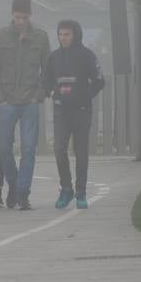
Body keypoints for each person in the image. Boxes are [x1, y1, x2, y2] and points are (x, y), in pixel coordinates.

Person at [0, 0, 51, 210]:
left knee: (29, 148)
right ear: (11, 15)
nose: (20, 21)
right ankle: (13, 182)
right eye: (17, 17)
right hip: (6, 102)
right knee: (3, 147)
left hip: (30, 101)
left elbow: (47, 70)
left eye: (24, 17)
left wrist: (38, 95)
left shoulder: (41, 37)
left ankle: (23, 193)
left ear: (30, 15)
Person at [46, 20, 104, 210]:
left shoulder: (87, 56)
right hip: (61, 111)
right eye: (60, 34)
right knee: (59, 149)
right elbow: (45, 81)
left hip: (81, 111)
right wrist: (52, 93)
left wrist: (84, 96)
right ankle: (66, 188)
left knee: (81, 153)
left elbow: (99, 80)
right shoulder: (54, 57)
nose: (63, 38)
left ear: (75, 35)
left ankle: (81, 192)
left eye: (67, 34)